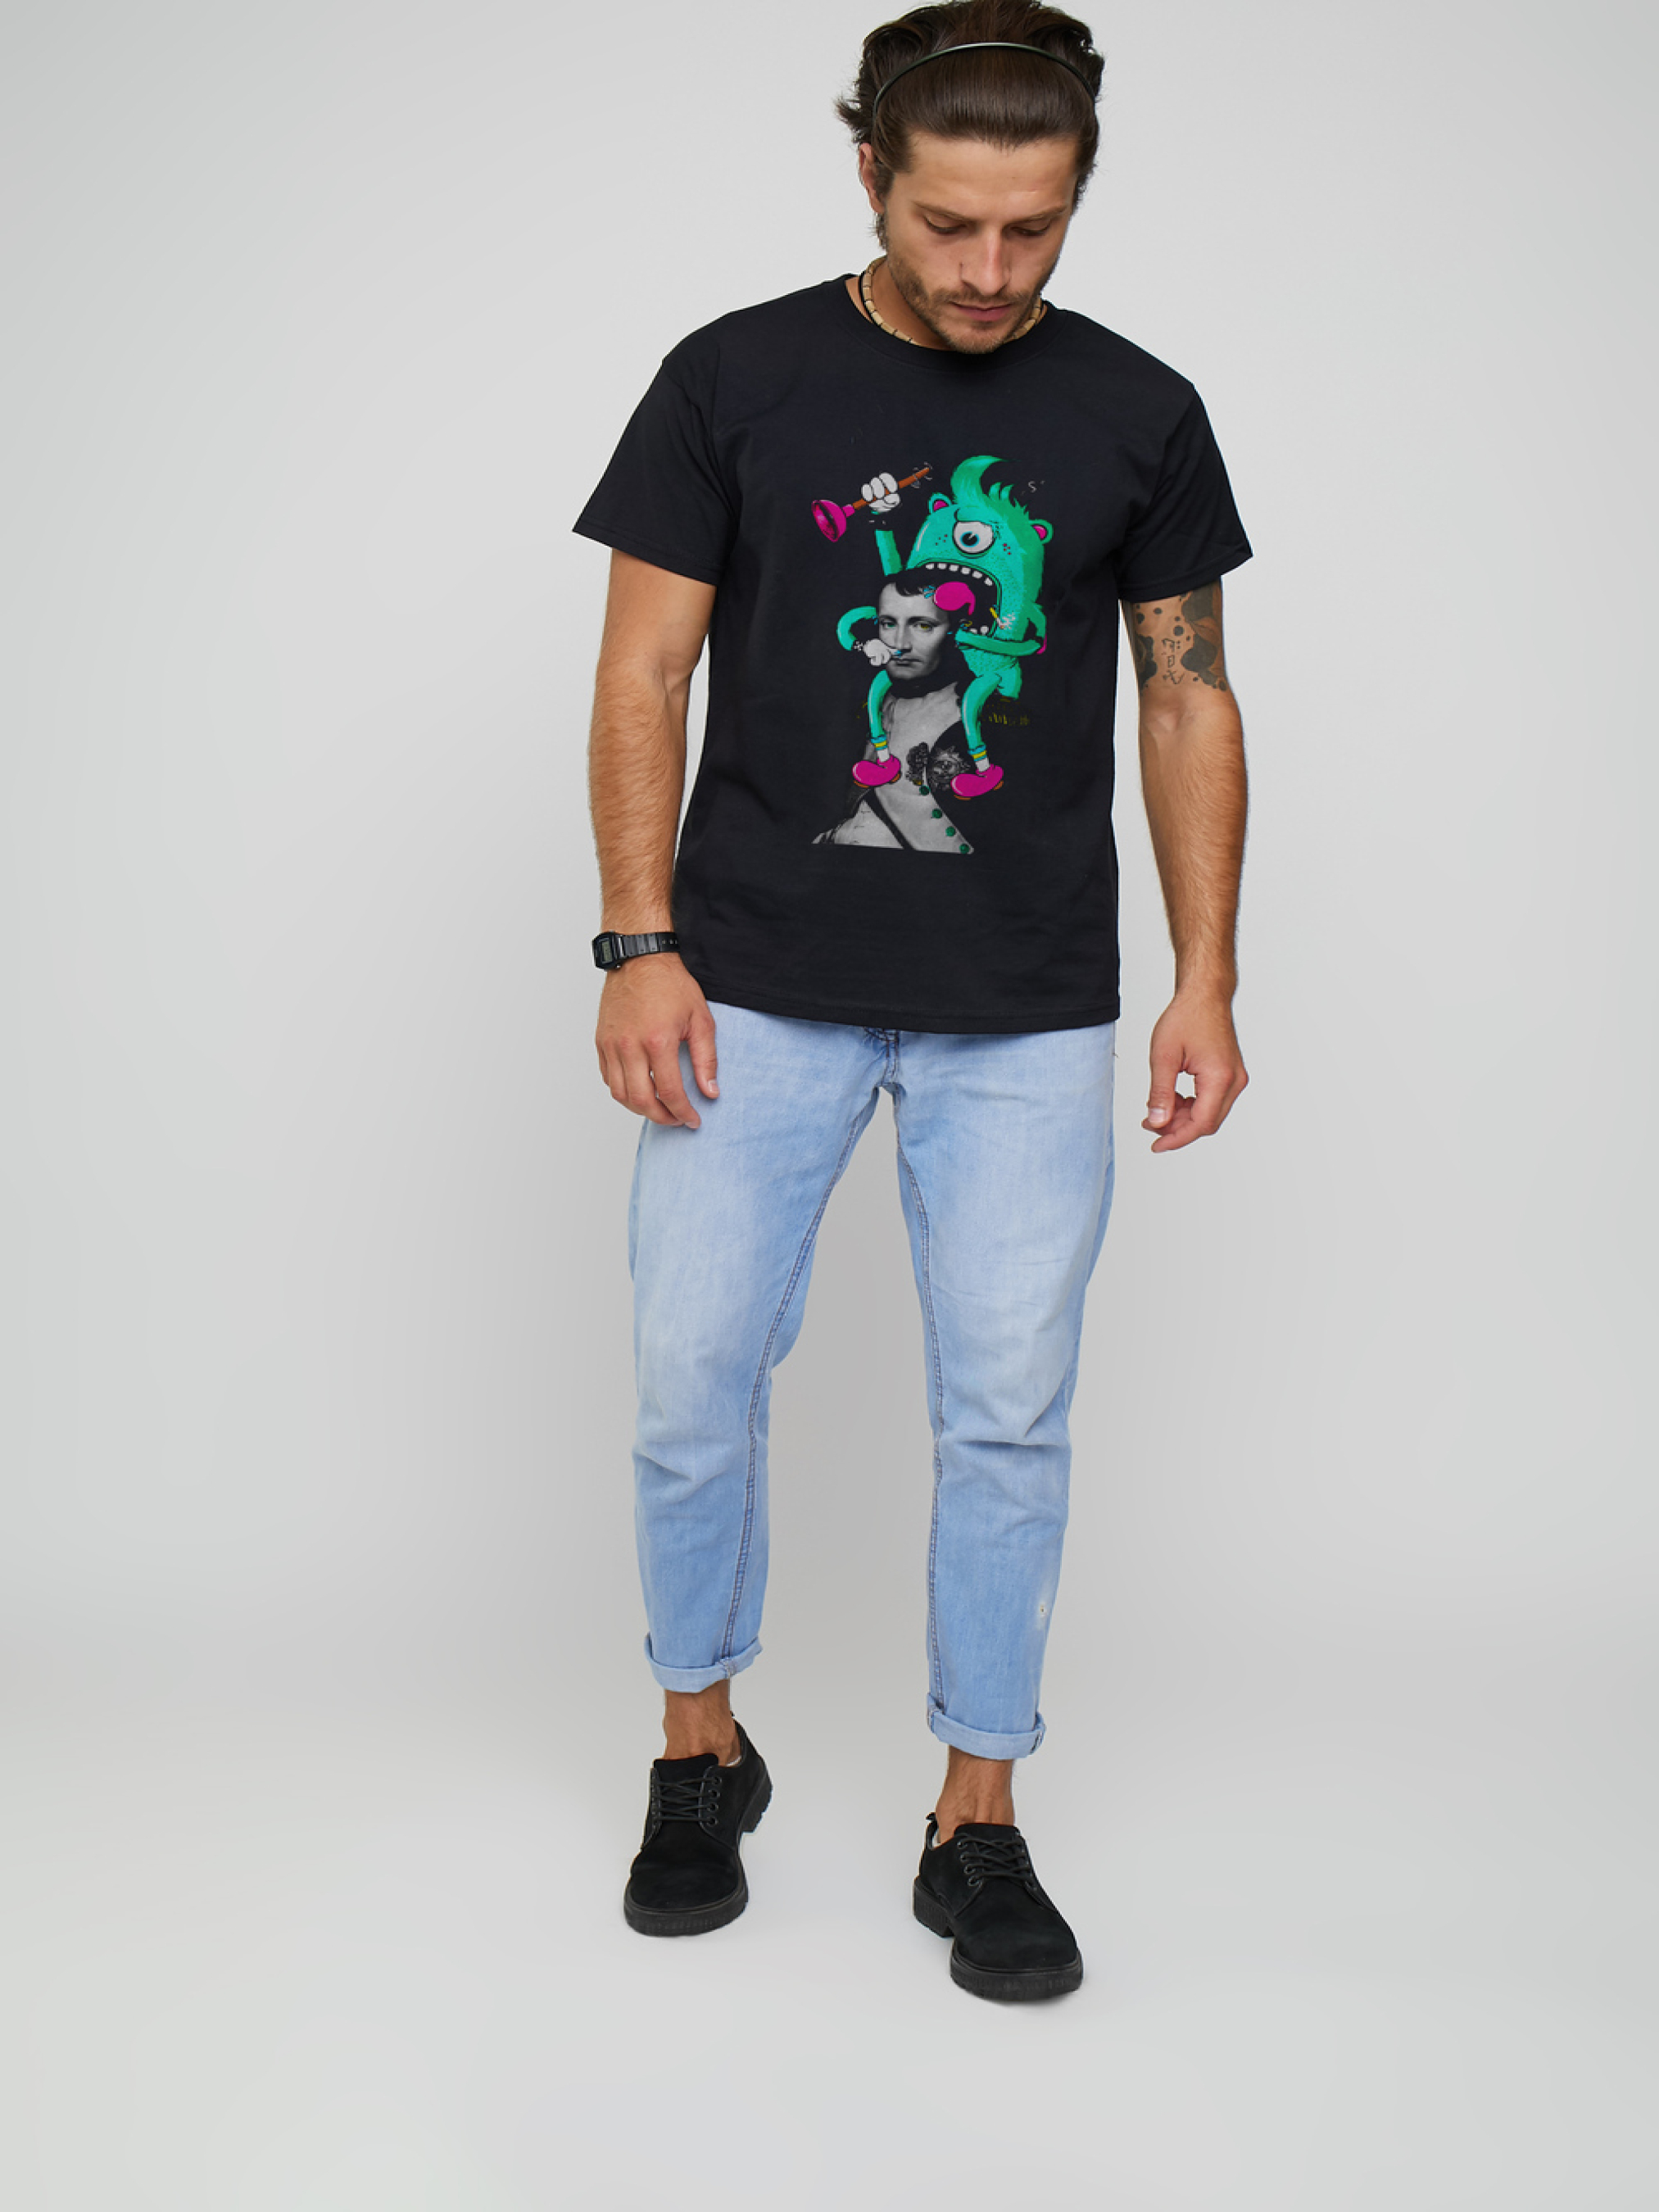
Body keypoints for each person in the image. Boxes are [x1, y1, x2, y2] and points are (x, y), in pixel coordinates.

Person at [574, 0, 1252, 2004]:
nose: (986, 270)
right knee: (692, 1377)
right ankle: (697, 1752)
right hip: (751, 981)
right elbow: (642, 670)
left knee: (1007, 1408)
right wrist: (634, 939)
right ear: (869, 171)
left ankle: (978, 1816)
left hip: (1024, 1002)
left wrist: (1207, 972)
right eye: (949, 223)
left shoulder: (1136, 408)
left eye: (1031, 229)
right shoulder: (733, 377)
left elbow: (1186, 694)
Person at [818, 565, 979, 850]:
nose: (900, 644)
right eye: (888, 624)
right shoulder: (870, 704)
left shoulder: (978, 712)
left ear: (956, 631)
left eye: (923, 625)